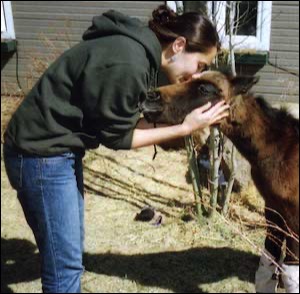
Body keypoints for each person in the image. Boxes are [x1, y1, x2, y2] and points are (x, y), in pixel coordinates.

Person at [3, 5, 229, 293]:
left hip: (56, 150)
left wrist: (186, 117)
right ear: (179, 45)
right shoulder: (129, 62)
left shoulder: (139, 53)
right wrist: (185, 128)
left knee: (69, 256)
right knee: (65, 266)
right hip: (40, 154)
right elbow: (119, 138)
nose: (196, 75)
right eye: (200, 66)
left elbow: (122, 123)